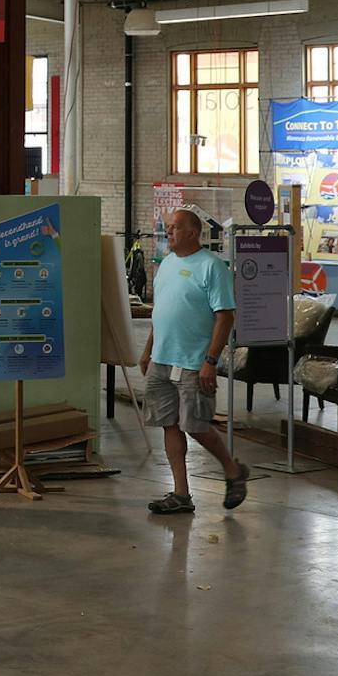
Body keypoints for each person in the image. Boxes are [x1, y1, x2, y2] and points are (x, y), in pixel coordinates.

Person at [140, 204, 250, 514]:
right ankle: (181, 494)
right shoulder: (167, 264)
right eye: (168, 228)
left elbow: (225, 317)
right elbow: (160, 313)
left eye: (174, 228)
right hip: (162, 359)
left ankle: (232, 470)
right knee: (169, 424)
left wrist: (211, 361)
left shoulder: (212, 267)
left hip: (193, 361)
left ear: (192, 232)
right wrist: (149, 349)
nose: (168, 233)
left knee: (196, 425)